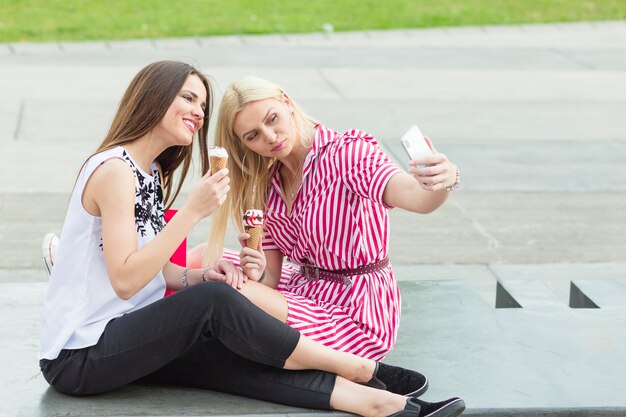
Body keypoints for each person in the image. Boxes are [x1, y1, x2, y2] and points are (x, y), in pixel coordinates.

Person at [39, 61, 465, 417]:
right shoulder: (115, 170)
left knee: (233, 362)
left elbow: (157, 273)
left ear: (285, 102)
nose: (198, 112)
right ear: (153, 97)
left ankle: (382, 405)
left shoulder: (147, 174)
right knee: (216, 305)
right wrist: (193, 212)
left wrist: (201, 276)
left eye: (202, 104)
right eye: (188, 98)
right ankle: (356, 367)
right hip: (80, 355)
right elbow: (127, 281)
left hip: (119, 334)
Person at [198, 76, 460, 363]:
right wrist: (255, 271)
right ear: (243, 144)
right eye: (253, 136)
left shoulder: (348, 154)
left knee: (222, 293)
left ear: (286, 102)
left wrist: (442, 181)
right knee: (201, 258)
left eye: (272, 119)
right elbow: (269, 279)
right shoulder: (266, 186)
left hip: (356, 307)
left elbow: (416, 197)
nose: (270, 137)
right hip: (302, 288)